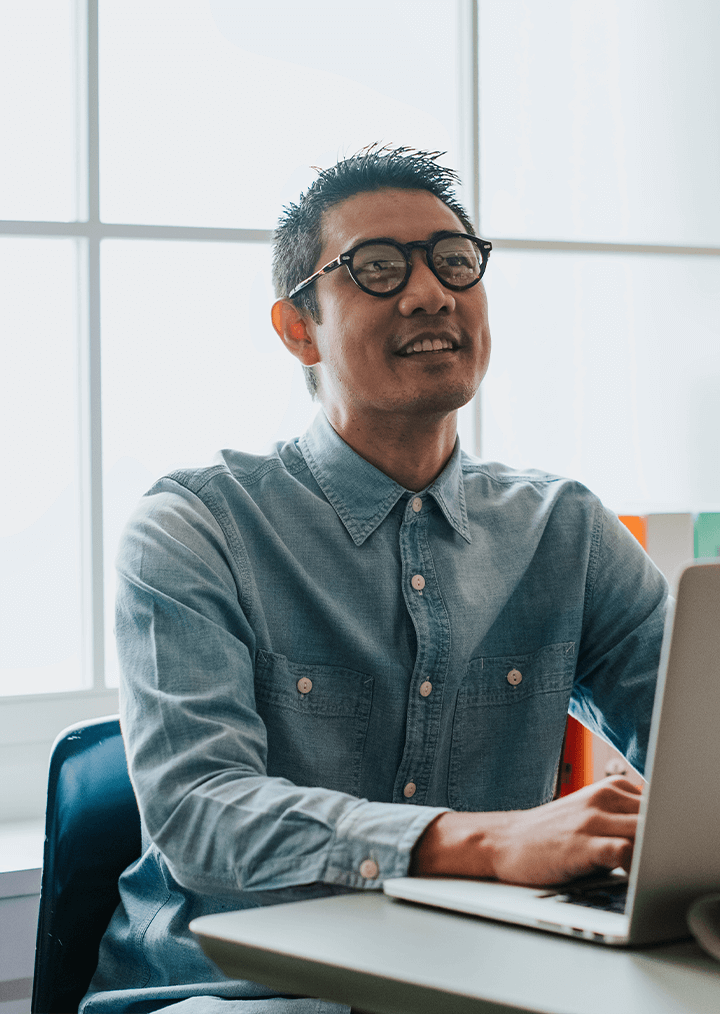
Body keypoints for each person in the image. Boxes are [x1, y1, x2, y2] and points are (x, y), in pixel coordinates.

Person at [81, 147, 668, 1013]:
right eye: (378, 269)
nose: (432, 293)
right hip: (234, 992)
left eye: (455, 260)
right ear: (298, 329)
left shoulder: (566, 530)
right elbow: (201, 816)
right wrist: (486, 842)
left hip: (480, 980)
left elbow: (698, 750)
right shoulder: (192, 530)